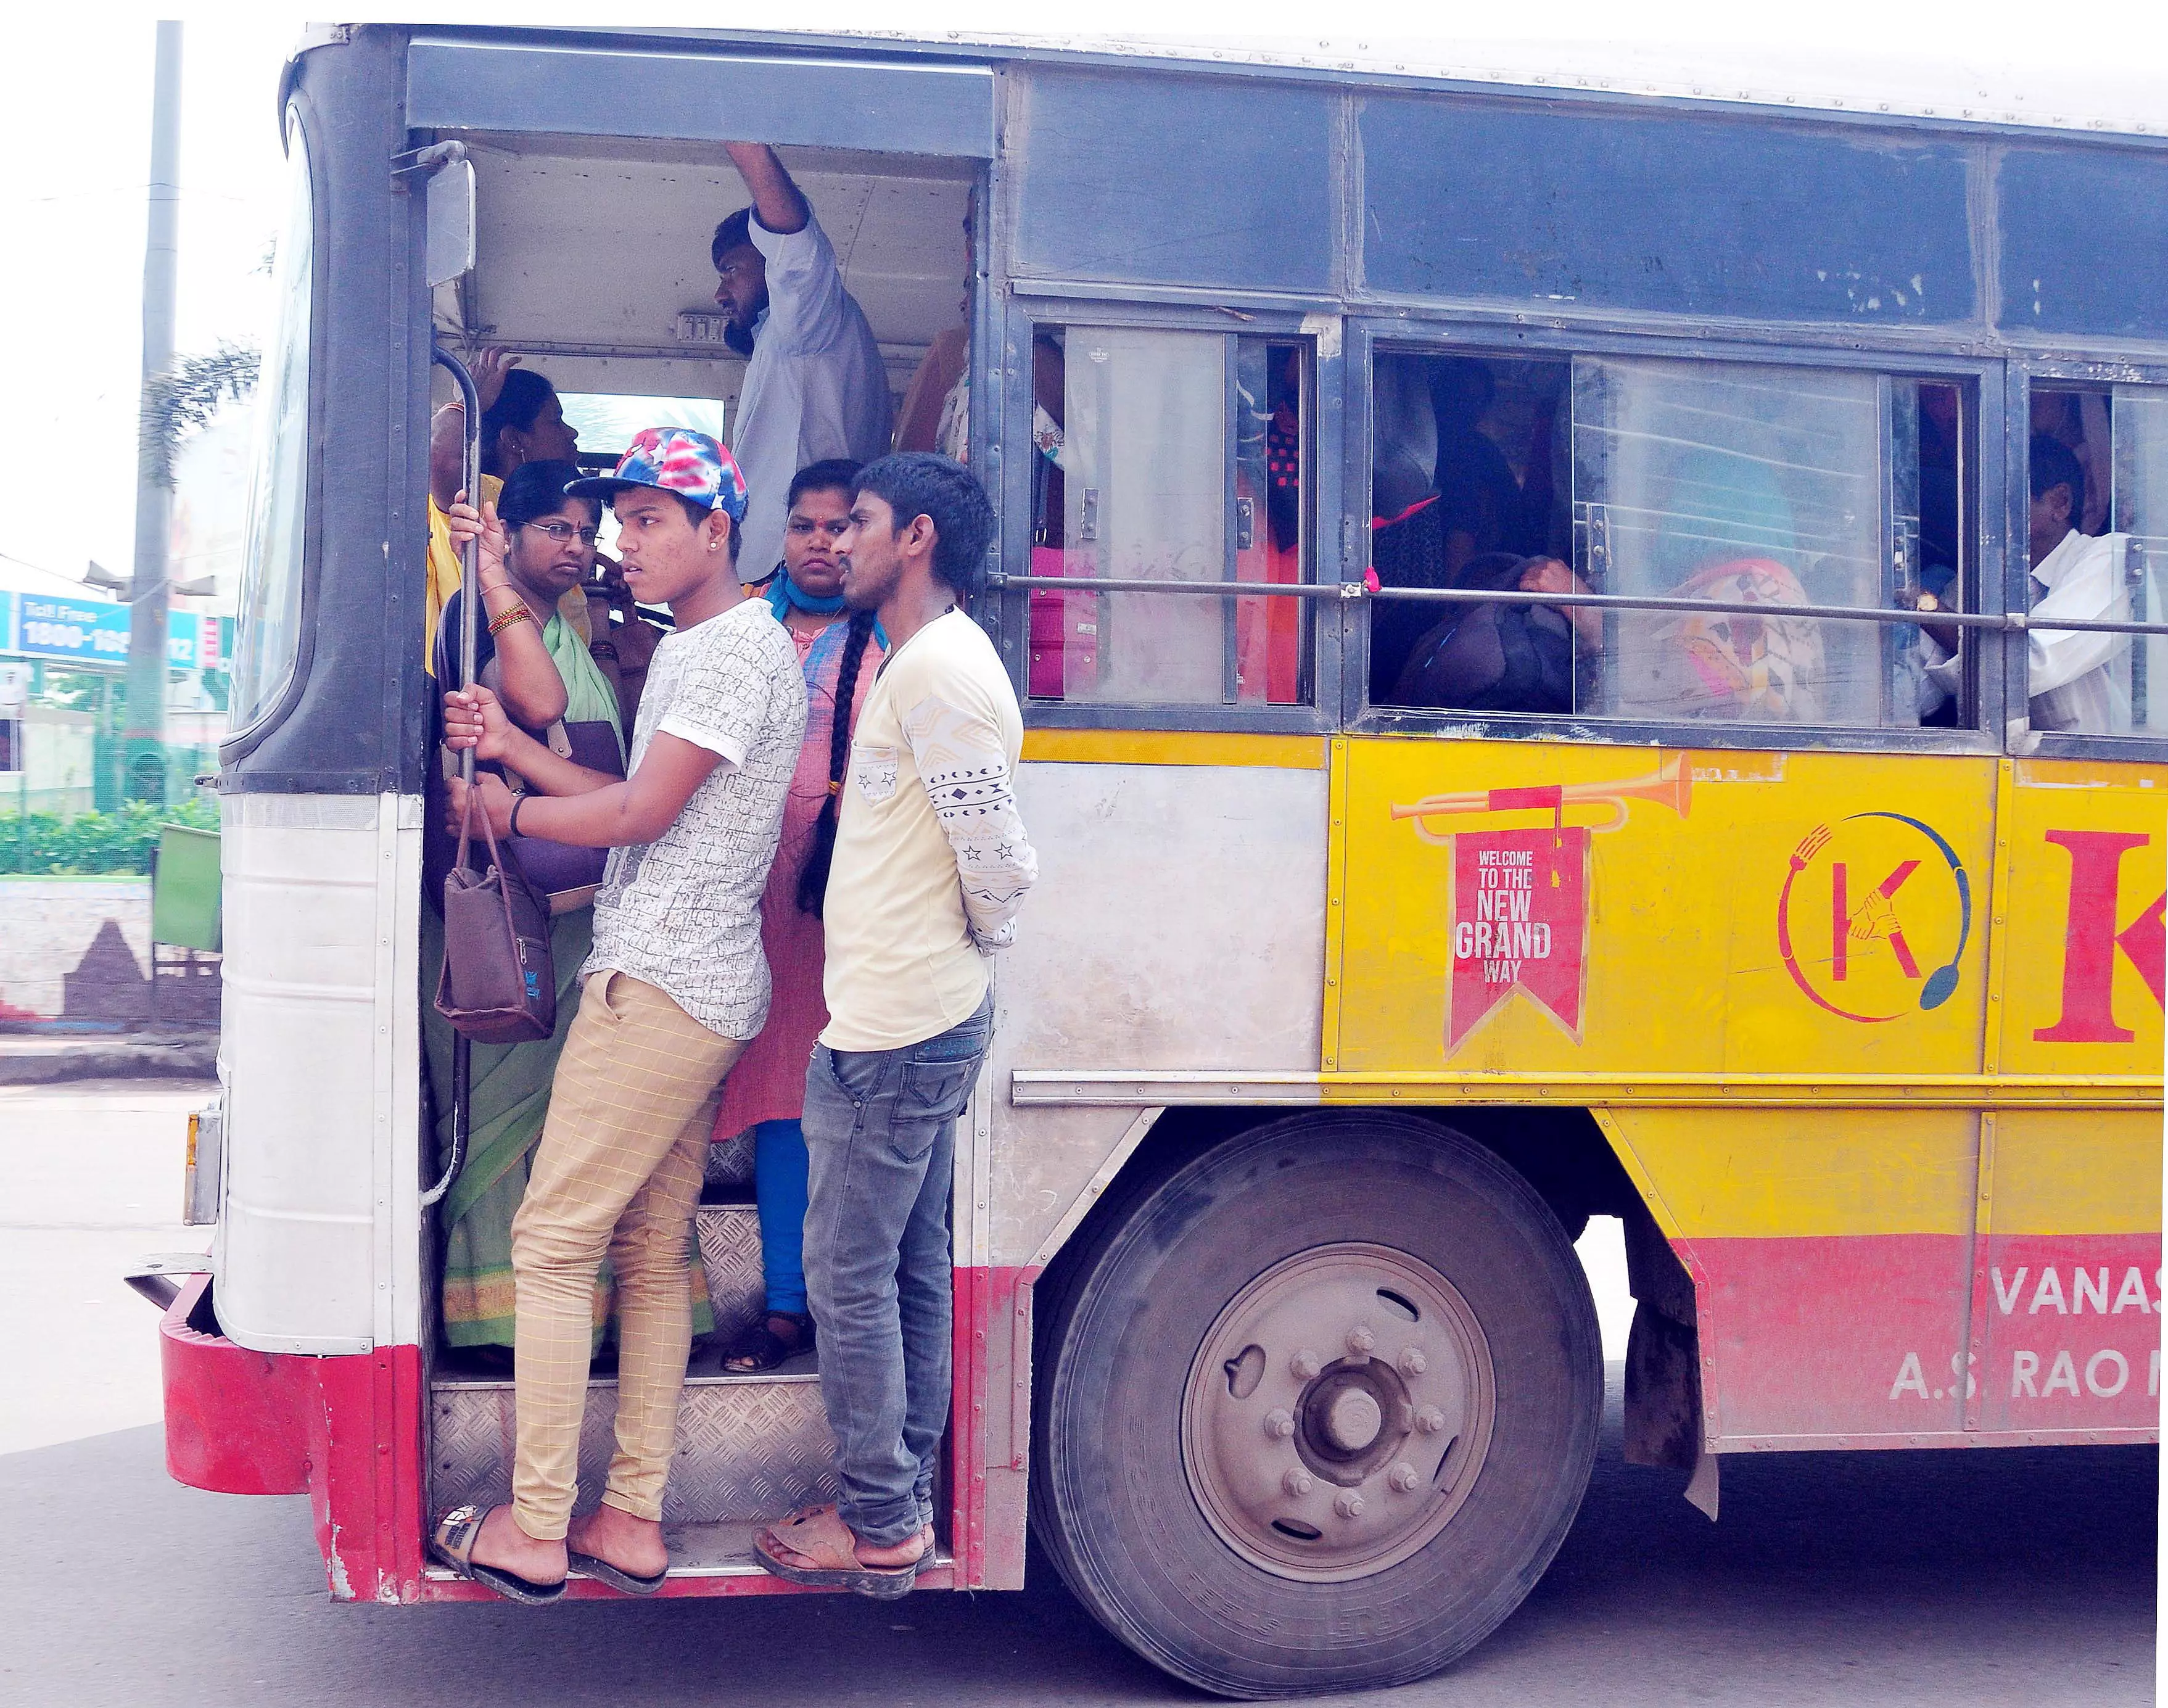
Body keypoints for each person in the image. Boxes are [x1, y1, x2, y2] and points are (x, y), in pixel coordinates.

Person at [427, 428, 808, 1604]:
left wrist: (505, 798)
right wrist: (514, 756)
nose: (620, 543)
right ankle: (629, 1517)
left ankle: (538, 1526)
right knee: (647, 1256)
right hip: (703, 982)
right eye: (618, 520)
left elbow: (640, 817)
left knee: (549, 1242)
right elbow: (643, 801)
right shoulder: (709, 644)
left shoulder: (723, 653)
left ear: (715, 529)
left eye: (650, 520)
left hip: (659, 982)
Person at [753, 454, 1036, 1598]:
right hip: (899, 1016)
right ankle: (899, 1497)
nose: (839, 542)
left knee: (845, 1272)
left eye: (859, 520)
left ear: (914, 536)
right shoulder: (925, 663)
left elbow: (1002, 866)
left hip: (897, 1030)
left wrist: (939, 957)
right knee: (905, 1261)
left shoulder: (942, 675)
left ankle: (878, 1524)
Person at [424, 462, 630, 1360]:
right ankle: (498, 1328)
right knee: (515, 1115)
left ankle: (573, 1321)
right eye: (555, 527)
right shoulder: (478, 610)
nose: (576, 547)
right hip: (510, 917)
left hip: (568, 909)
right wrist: (496, 575)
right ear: (508, 533)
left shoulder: (562, 624)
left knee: (577, 1123)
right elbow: (538, 704)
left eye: (585, 532)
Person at [709, 459, 885, 1372]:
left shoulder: (896, 632)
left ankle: (836, 1305)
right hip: (744, 893)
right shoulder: (738, 621)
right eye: (805, 525)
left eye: (839, 525)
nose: (822, 542)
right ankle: (784, 1306)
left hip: (849, 899)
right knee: (780, 1102)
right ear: (782, 533)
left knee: (836, 1104)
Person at [712, 142, 894, 581]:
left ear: (770, 264)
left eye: (731, 271)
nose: (720, 294)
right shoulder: (790, 337)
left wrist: (739, 138)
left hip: (795, 572)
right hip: (788, 569)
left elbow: (793, 245)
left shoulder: (808, 317)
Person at [425, 349, 588, 668]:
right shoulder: (481, 497)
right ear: (514, 440)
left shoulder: (552, 505)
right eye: (556, 421)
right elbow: (439, 457)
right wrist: (469, 402)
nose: (572, 433)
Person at [2020, 434, 2132, 732]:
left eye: (1998, 502)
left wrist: (1932, 609)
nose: (1981, 516)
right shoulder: (1985, 577)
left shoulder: (2110, 557)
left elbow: (2029, 664)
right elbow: (1927, 687)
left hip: (2110, 770)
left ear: (2060, 502)